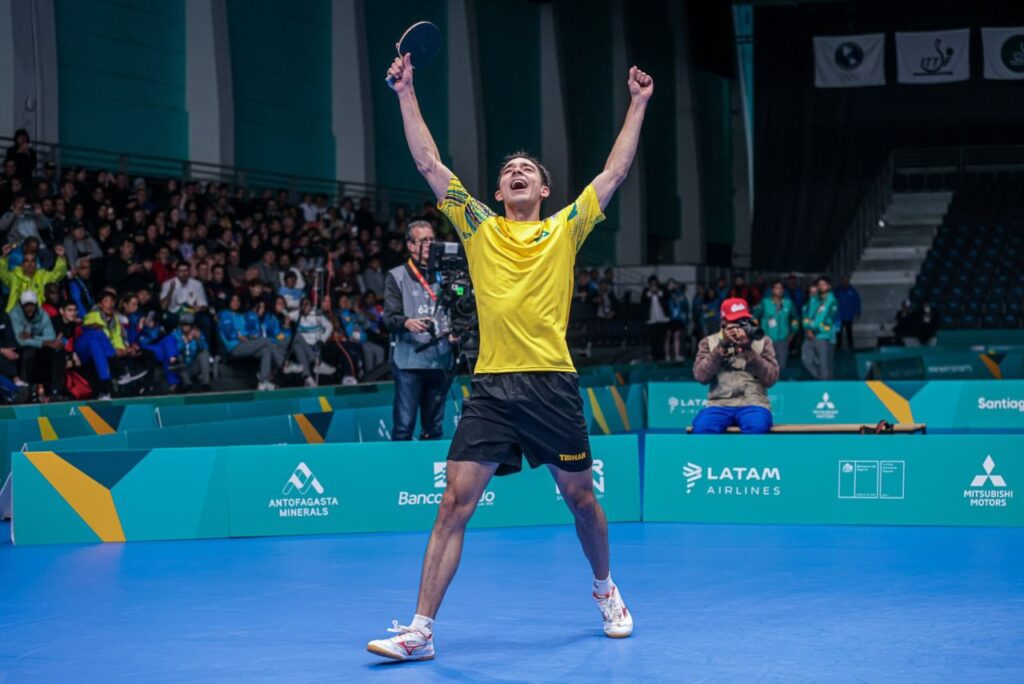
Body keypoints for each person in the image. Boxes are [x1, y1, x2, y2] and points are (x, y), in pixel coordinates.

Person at [366, 53, 652, 660]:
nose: (518, 173)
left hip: (550, 383)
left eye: (529, 170)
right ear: (498, 192)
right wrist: (405, 92)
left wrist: (638, 104)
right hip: (492, 386)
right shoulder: (477, 224)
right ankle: (419, 629)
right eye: (510, 171)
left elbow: (615, 171)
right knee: (453, 503)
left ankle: (605, 589)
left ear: (544, 189)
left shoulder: (567, 226)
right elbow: (427, 162)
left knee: (581, 499)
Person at [383, 220, 453, 441]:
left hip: (441, 361)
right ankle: (399, 473)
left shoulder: (447, 274)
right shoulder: (397, 276)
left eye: (432, 240)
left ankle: (429, 474)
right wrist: (407, 322)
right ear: (411, 245)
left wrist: (455, 330)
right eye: (424, 241)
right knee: (404, 427)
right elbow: (389, 318)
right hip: (409, 364)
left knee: (434, 428)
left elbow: (456, 310)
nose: (430, 245)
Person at [691, 297, 779, 433]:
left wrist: (749, 350)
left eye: (743, 320)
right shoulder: (708, 342)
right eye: (734, 321)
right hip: (719, 403)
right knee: (703, 427)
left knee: (757, 426)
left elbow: (771, 379)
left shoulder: (762, 341)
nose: (740, 325)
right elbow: (701, 377)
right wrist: (721, 348)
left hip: (754, 402)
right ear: (723, 322)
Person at [218, 293, 284, 391]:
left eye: (237, 301)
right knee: (266, 341)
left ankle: (263, 382)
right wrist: (238, 336)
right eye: (233, 300)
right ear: (229, 302)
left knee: (266, 350)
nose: (235, 303)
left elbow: (246, 331)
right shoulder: (225, 314)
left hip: (244, 344)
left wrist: (249, 336)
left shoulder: (240, 316)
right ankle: (283, 364)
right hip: (234, 347)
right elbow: (229, 333)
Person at [10, 290, 65, 394]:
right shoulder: (15, 314)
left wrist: (32, 336)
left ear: (36, 305)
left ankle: (53, 390)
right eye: (26, 305)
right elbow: (21, 341)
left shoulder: (43, 315)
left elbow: (51, 337)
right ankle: (25, 388)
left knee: (57, 352)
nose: (29, 308)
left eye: (32, 305)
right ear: (21, 305)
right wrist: (44, 342)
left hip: (38, 347)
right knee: (29, 351)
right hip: (17, 349)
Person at [0, 243, 68, 312]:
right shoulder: (14, 276)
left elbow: (57, 275)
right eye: (26, 261)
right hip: (16, 312)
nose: (30, 263)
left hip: (36, 313)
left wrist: (61, 257)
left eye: (33, 261)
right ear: (22, 265)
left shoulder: (42, 275)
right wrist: (3, 256)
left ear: (36, 265)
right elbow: (2, 273)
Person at [753, 280, 798, 372]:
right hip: (767, 339)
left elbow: (795, 318)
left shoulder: (788, 303)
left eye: (781, 288)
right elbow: (754, 316)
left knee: (781, 365)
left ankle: (779, 384)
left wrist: (793, 333)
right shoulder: (765, 302)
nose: (780, 290)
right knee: (767, 365)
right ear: (772, 290)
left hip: (783, 339)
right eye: (777, 288)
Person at [801, 276, 839, 380]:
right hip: (811, 334)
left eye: (823, 284)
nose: (821, 287)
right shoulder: (816, 300)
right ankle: (821, 380)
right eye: (819, 285)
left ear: (829, 286)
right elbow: (808, 316)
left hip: (824, 335)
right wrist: (808, 329)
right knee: (807, 360)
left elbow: (822, 317)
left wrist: (812, 329)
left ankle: (825, 385)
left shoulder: (830, 300)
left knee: (825, 364)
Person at [643, 275, 669, 361]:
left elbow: (666, 297)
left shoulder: (662, 290)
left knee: (661, 338)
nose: (654, 285)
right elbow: (643, 301)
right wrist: (650, 292)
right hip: (652, 319)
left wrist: (658, 292)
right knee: (653, 338)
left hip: (662, 318)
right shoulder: (646, 291)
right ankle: (654, 356)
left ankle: (662, 356)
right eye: (652, 283)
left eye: (655, 283)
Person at [665, 280, 689, 360]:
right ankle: (667, 355)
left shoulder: (679, 294)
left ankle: (677, 355)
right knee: (668, 337)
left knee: (677, 336)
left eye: (674, 284)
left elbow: (684, 305)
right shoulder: (665, 294)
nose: (672, 286)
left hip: (678, 319)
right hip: (668, 319)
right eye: (670, 284)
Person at [835, 276, 860, 351]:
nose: (845, 282)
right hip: (839, 316)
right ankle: (838, 347)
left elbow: (857, 302)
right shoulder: (837, 291)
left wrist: (858, 312)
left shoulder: (853, 291)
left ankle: (851, 346)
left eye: (846, 281)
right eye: (843, 281)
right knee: (838, 333)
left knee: (849, 332)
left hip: (849, 315)